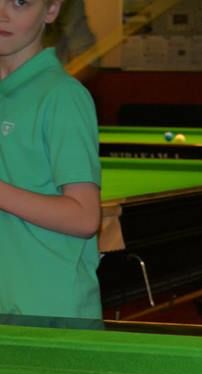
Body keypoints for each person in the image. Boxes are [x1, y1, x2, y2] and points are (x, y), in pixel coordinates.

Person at [0, 0, 102, 321]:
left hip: (51, 313)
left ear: (52, 10)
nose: (2, 14)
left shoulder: (62, 96)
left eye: (20, 2)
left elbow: (85, 217)